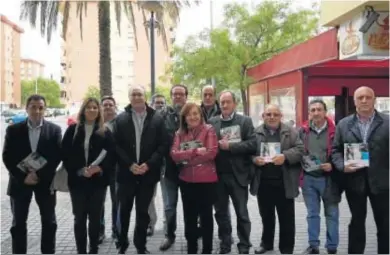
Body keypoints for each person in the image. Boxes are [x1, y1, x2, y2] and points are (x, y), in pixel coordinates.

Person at [331, 86, 389, 254]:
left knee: (384, 224)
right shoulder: (344, 124)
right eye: (360, 97)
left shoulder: (387, 122)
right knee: (357, 222)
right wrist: (342, 166)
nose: (364, 100)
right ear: (354, 101)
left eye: (368, 97)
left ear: (374, 100)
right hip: (354, 182)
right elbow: (335, 151)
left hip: (382, 182)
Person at [2, 94, 62, 254]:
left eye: (41, 107)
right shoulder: (13, 130)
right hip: (19, 183)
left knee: (49, 222)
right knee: (18, 224)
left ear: (45, 109)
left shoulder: (54, 130)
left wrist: (39, 175)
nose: (37, 111)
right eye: (33, 107)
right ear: (27, 108)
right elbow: (7, 156)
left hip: (45, 182)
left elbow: (57, 157)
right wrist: (24, 176)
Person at [114, 85, 168, 254]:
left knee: (142, 213)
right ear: (129, 98)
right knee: (124, 211)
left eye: (139, 94)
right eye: (133, 94)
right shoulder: (121, 119)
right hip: (126, 174)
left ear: (145, 97)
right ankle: (122, 244)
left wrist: (149, 164)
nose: (136, 97)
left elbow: (163, 145)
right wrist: (129, 164)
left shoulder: (157, 118)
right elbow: (116, 146)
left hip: (147, 175)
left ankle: (141, 246)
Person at [62, 97, 115, 254]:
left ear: (99, 111)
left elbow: (112, 156)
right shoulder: (72, 130)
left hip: (97, 182)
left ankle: (93, 249)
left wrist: (99, 168)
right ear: (83, 110)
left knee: (95, 218)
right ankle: (81, 251)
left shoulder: (105, 131)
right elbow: (65, 154)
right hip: (77, 181)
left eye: (95, 108)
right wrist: (79, 170)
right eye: (89, 107)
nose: (92, 110)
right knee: (79, 218)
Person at [250, 104, 304, 254]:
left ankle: (286, 248)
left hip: (284, 182)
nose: (271, 117)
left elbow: (300, 150)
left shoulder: (290, 132)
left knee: (287, 218)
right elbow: (248, 153)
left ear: (281, 116)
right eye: (268, 114)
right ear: (263, 116)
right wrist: (255, 160)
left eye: (275, 114)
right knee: (266, 216)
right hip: (263, 182)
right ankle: (266, 244)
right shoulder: (256, 133)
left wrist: (285, 156)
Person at [208, 90, 254, 254]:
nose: (225, 105)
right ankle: (225, 242)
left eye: (228, 102)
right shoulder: (212, 122)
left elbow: (253, 144)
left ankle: (244, 244)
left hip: (238, 176)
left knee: (241, 213)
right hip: (217, 176)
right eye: (222, 103)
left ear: (235, 103)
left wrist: (231, 146)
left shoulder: (245, 121)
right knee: (221, 213)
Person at [170, 102, 219, 254]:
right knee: (189, 217)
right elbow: (174, 155)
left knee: (206, 217)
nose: (193, 117)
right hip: (186, 181)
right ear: (184, 118)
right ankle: (191, 249)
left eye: (196, 113)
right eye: (189, 114)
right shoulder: (179, 134)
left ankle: (207, 250)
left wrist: (186, 159)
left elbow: (211, 152)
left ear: (201, 115)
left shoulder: (209, 129)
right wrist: (196, 151)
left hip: (206, 181)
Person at [299, 99, 341, 254]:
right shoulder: (302, 131)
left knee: (332, 214)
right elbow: (297, 150)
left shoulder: (336, 131)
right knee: (312, 214)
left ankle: (332, 247)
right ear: (309, 113)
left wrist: (333, 165)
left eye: (319, 109)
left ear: (325, 112)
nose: (316, 113)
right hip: (309, 179)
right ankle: (313, 245)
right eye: (313, 110)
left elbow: (342, 153)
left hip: (329, 179)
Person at [159, 84, 188, 251]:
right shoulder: (162, 115)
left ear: (186, 96)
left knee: (191, 204)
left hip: (189, 168)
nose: (178, 97)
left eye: (181, 94)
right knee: (169, 205)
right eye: (175, 94)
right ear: (171, 96)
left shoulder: (193, 113)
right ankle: (169, 235)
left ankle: (192, 233)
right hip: (168, 169)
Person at [99, 96, 118, 243]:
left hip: (116, 168)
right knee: (98, 202)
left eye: (110, 105)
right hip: (99, 169)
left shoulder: (121, 123)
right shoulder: (96, 123)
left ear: (115, 107)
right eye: (105, 105)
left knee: (116, 201)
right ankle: (100, 231)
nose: (107, 107)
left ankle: (116, 230)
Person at [146, 94, 167, 236]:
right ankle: (150, 223)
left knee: (167, 197)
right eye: (156, 103)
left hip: (166, 164)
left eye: (162, 103)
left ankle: (167, 224)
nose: (159, 105)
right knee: (149, 196)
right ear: (152, 104)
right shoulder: (147, 119)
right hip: (151, 164)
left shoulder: (171, 118)